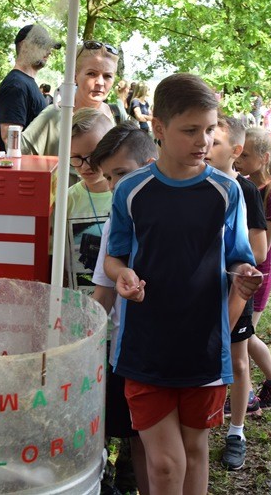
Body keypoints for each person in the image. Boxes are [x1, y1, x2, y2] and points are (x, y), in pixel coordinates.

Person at [104, 73, 262, 495]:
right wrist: (123, 276)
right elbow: (115, 257)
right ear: (158, 127)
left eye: (209, 130)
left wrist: (244, 277)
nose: (203, 141)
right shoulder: (131, 190)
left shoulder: (227, 191)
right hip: (145, 347)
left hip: (204, 348)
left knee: (193, 451)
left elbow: (239, 257)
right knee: (165, 464)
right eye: (190, 130)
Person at [90, 121, 158, 495]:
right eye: (109, 177)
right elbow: (103, 296)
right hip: (130, 355)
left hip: (179, 355)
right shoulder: (116, 221)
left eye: (121, 173)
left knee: (178, 447)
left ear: (149, 165)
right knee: (141, 440)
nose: (114, 185)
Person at [205, 115, 268, 471]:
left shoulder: (244, 190)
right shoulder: (195, 182)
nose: (205, 146)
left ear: (236, 150)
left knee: (237, 359)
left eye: (215, 142)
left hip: (235, 288)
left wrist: (232, 262)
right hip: (200, 292)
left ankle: (236, 431)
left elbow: (257, 249)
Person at [235, 127, 271, 414]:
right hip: (242, 271)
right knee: (242, 335)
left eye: (245, 155)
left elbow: (264, 245)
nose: (238, 160)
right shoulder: (243, 185)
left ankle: (269, 384)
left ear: (264, 157)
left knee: (244, 335)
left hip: (259, 273)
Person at [22, 40, 118, 158]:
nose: (100, 82)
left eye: (107, 76)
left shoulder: (116, 116)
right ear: (74, 76)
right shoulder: (55, 115)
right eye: (91, 74)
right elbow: (19, 156)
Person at [65, 108, 114, 293]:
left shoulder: (127, 197)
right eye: (76, 158)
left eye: (93, 156)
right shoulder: (67, 201)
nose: (86, 166)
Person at [0, 24, 61, 150]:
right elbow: (11, 142)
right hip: (23, 163)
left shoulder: (24, 83)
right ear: (24, 46)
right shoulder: (15, 85)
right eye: (43, 45)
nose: (49, 52)